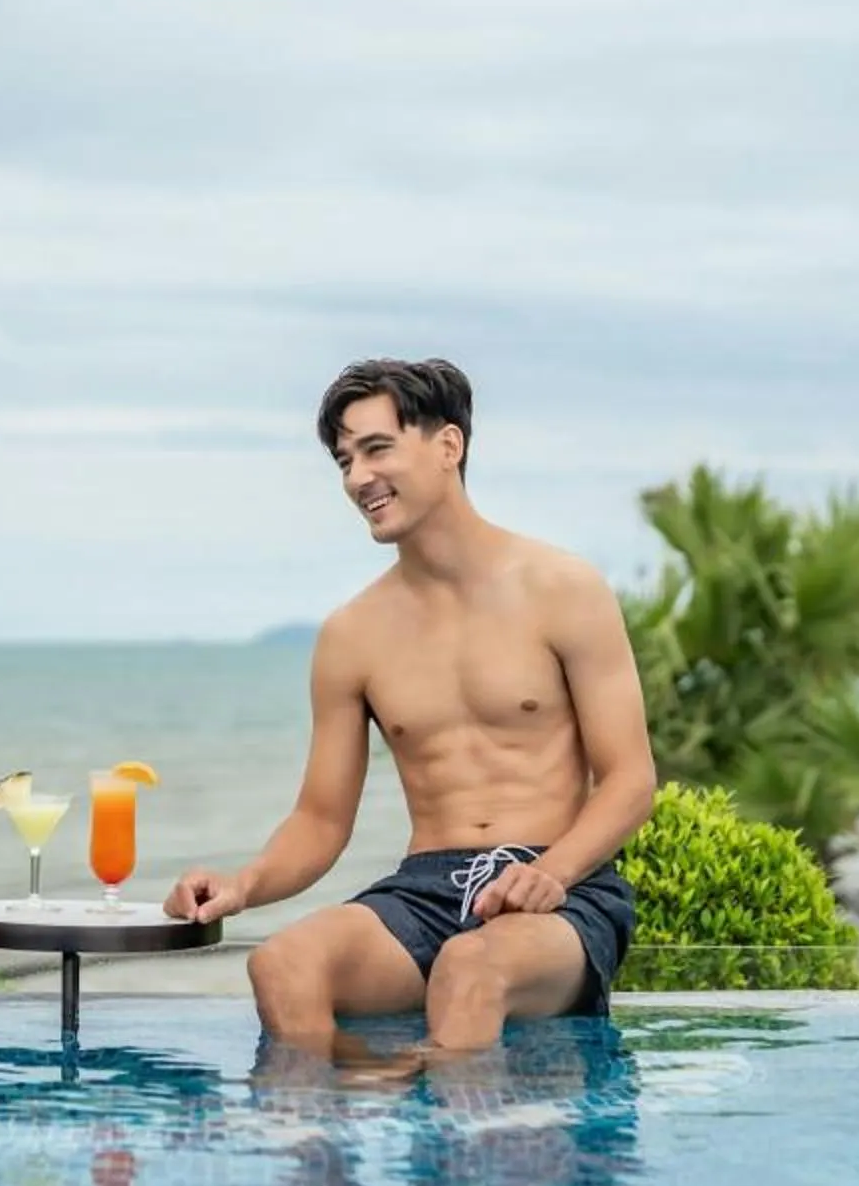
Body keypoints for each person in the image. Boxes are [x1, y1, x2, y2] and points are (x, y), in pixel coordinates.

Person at [164, 359, 659, 1052]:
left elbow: (631, 779)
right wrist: (242, 884)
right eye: (345, 461)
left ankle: (429, 1109)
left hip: (561, 890)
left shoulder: (563, 590)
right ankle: (339, 1116)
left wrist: (551, 874)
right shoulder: (352, 635)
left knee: (469, 968)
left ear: (448, 445)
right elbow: (321, 819)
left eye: (377, 449)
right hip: (426, 890)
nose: (357, 478)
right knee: (283, 964)